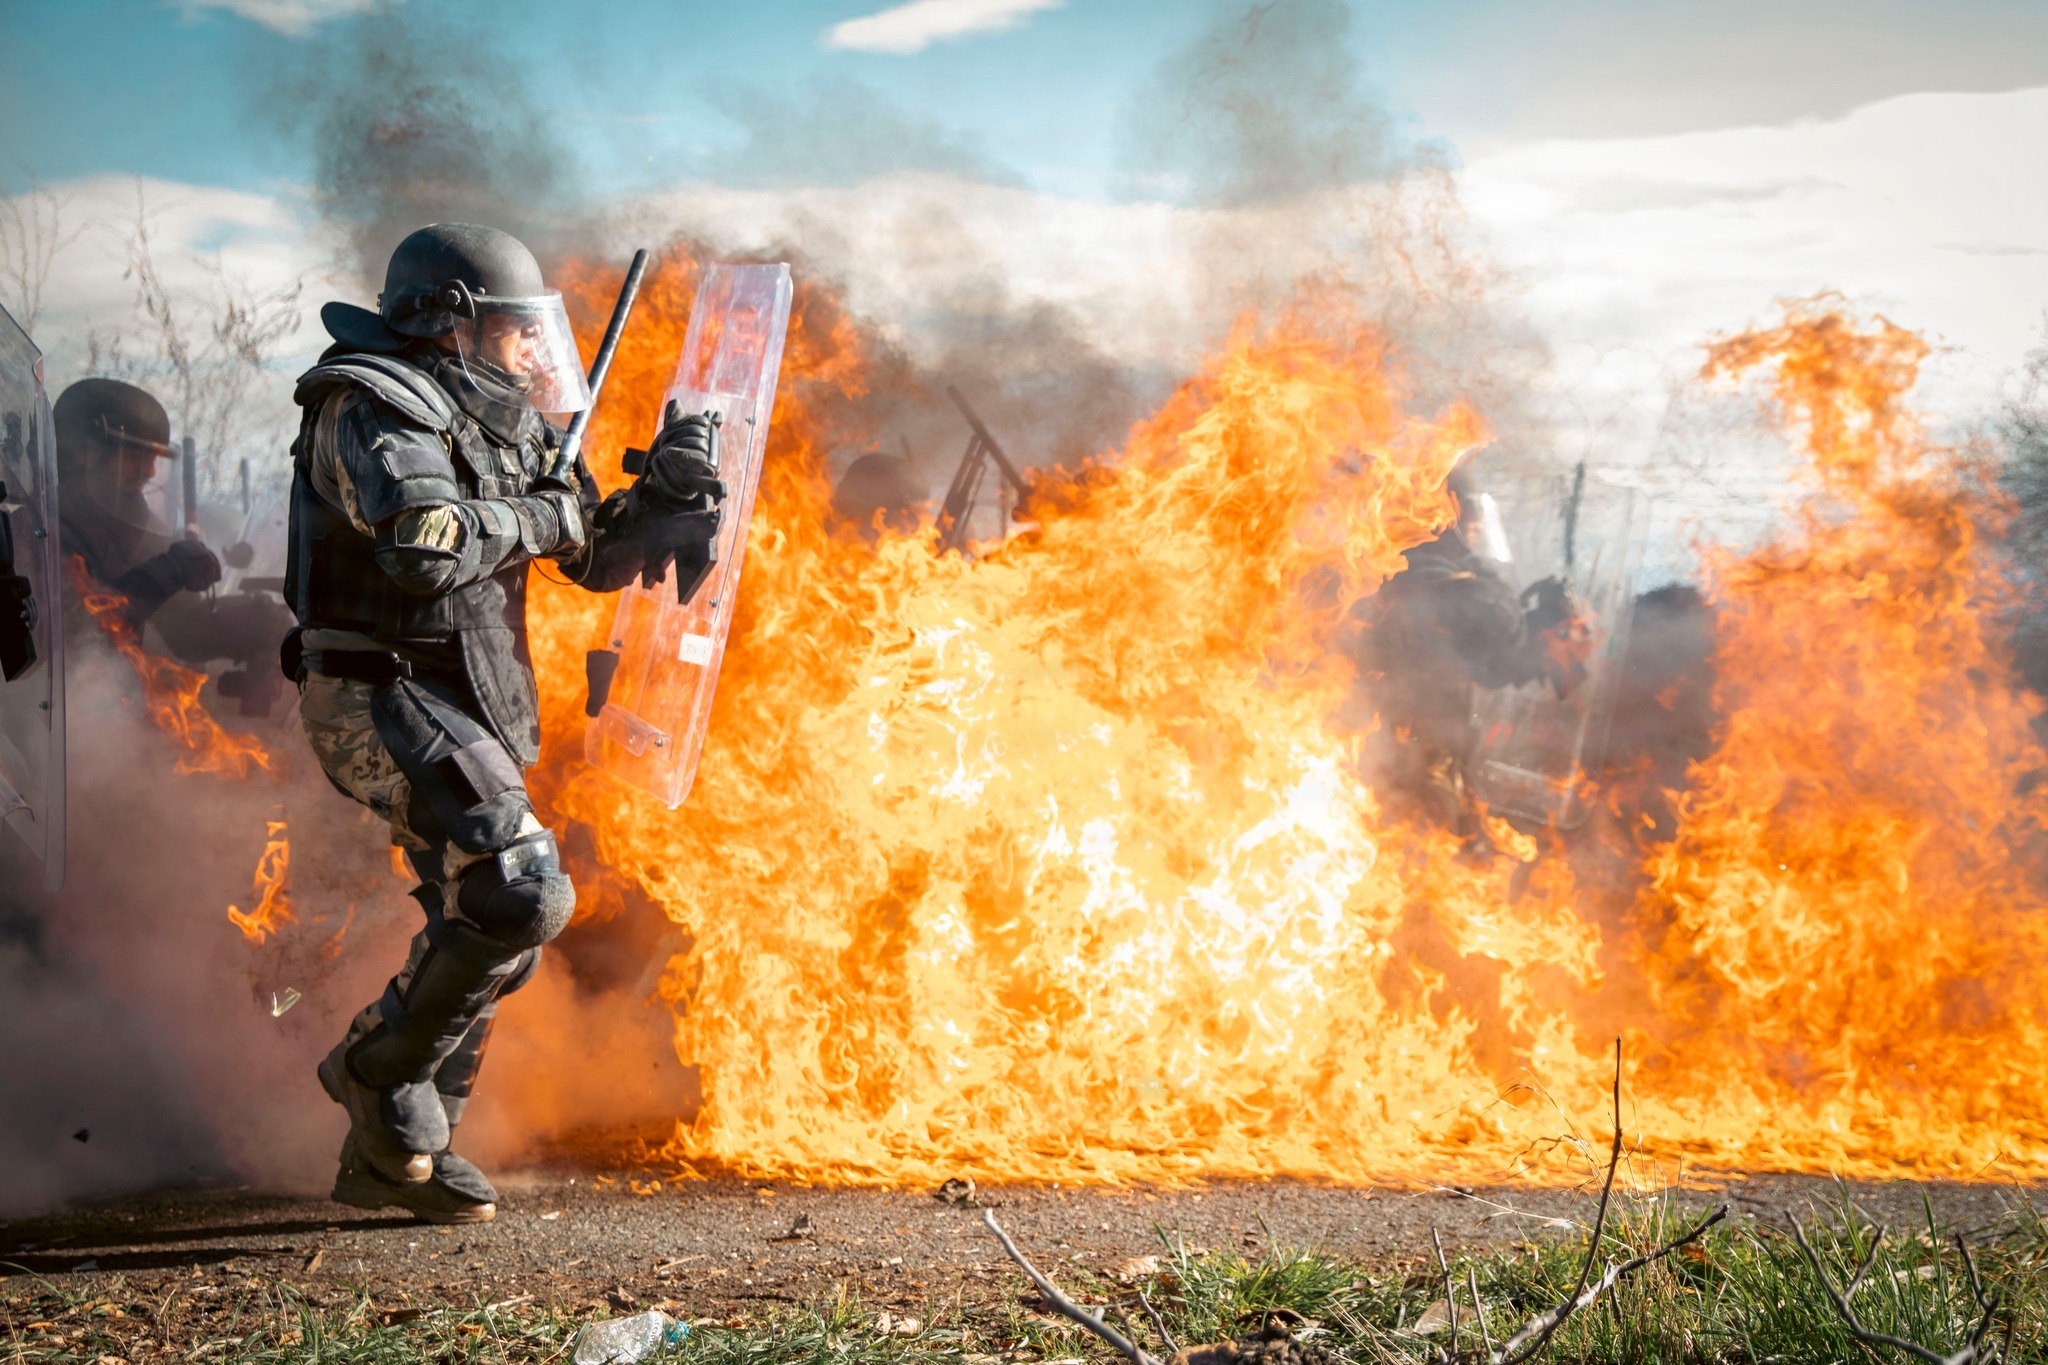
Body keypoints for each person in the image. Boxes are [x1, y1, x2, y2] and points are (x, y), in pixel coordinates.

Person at [285, 222, 726, 1224]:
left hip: (463, 698)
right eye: (516, 331)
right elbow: (428, 549)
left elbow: (591, 555)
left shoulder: (510, 421)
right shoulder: (372, 401)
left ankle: (393, 1156)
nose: (534, 353)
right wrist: (546, 517)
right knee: (519, 889)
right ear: (448, 320)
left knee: (484, 919)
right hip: (376, 688)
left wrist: (662, 499)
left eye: (540, 334)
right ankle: (375, 1070)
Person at [1357, 465, 1585, 836]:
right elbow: (1495, 662)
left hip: (1408, 748)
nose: (1477, 531)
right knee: (1422, 838)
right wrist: (1541, 635)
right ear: (1440, 520)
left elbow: (1485, 656)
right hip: (1412, 752)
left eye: (1478, 521)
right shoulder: (1446, 584)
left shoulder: (1407, 573)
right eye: (1470, 521)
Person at [52, 379, 293, 674]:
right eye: (135, 455)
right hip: (58, 709)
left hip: (114, 704)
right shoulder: (42, 529)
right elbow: (79, 637)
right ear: (85, 451)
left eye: (155, 459)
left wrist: (253, 620)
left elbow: (184, 627)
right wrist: (167, 572)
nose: (150, 471)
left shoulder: (135, 524)